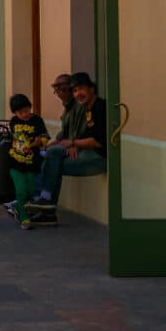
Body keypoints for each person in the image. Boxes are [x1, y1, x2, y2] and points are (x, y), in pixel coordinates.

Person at [27, 72, 108, 225]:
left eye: (81, 89)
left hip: (98, 158)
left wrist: (73, 143)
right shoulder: (88, 107)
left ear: (91, 89)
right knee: (52, 155)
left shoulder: (98, 107)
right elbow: (69, 132)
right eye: (75, 91)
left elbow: (97, 142)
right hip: (86, 152)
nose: (78, 94)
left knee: (53, 158)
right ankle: (45, 203)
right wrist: (66, 142)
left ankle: (43, 201)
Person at [6, 93, 49, 229]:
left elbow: (45, 138)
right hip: (16, 163)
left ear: (30, 107)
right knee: (21, 191)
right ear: (15, 113)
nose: (24, 114)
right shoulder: (13, 122)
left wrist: (39, 142)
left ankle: (17, 206)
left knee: (31, 191)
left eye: (26, 110)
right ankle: (24, 218)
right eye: (20, 112)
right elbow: (15, 138)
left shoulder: (37, 121)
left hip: (32, 163)